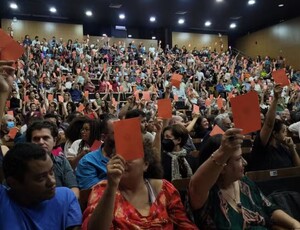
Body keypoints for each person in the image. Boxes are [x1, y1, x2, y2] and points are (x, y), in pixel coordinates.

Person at [189, 128, 300, 229]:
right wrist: (222, 152)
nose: (245, 162)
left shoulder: (244, 183)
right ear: (222, 166)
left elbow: (269, 209)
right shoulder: (207, 195)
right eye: (238, 159)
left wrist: (295, 224)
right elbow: (196, 185)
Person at [82, 140, 197, 230]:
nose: (122, 160)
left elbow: (184, 224)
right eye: (117, 156)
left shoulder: (165, 189)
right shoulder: (102, 189)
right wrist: (112, 185)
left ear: (146, 164)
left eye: (130, 155)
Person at [1, 143, 82, 229]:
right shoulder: (3, 201)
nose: (52, 181)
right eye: (41, 178)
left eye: (51, 172)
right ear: (13, 183)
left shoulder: (66, 198)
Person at [248, 84, 300, 171]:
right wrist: (275, 99)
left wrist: (292, 148)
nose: (286, 134)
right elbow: (268, 124)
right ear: (275, 133)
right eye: (283, 131)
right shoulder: (261, 147)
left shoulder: (283, 148)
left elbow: (298, 168)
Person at [26, 120, 80, 198]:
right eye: (36, 139)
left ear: (54, 141)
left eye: (45, 138)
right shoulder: (23, 164)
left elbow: (74, 189)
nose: (41, 142)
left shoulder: (62, 162)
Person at [76, 115, 118, 190]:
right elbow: (94, 195)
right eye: (116, 133)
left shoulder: (132, 158)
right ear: (103, 137)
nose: (121, 136)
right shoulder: (88, 161)